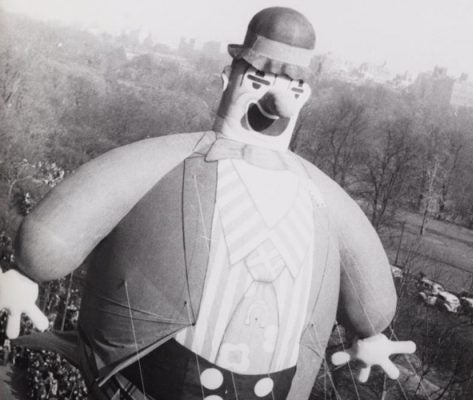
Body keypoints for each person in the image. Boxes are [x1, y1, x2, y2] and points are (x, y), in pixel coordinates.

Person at [0, 7, 415, 400]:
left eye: (293, 87)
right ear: (228, 79)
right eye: (258, 80)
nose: (277, 102)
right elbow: (65, 225)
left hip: (278, 384)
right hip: (143, 371)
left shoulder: (320, 194)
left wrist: (371, 331)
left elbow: (371, 298)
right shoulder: (167, 160)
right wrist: (29, 268)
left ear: (304, 96)